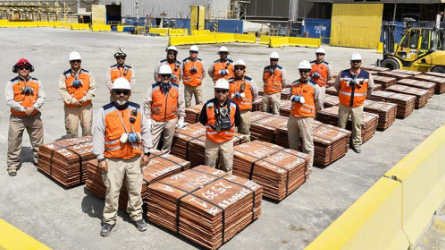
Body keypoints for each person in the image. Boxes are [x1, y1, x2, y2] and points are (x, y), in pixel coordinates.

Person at [93, 77, 152, 237]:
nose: (121, 95)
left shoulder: (137, 109)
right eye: (118, 92)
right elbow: (98, 135)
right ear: (112, 93)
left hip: (134, 159)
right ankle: (109, 220)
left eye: (124, 92)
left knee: (135, 190)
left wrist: (147, 152)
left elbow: (145, 130)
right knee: (112, 192)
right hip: (113, 160)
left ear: (129, 93)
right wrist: (100, 158)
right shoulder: (104, 111)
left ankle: (136, 216)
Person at [5, 58, 46, 177]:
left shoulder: (37, 82)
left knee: (38, 140)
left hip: (34, 115)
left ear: (30, 69)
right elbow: (9, 100)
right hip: (17, 117)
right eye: (21, 68)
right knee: (14, 141)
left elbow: (42, 97)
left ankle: (39, 160)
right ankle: (12, 164)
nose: (24, 69)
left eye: (26, 67)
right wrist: (23, 109)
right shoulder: (11, 83)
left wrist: (33, 108)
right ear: (16, 69)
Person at [334, 53, 374, 153]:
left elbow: (371, 88)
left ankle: (356, 143)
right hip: (344, 105)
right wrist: (343, 96)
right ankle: (340, 144)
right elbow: (336, 86)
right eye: (354, 61)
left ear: (361, 63)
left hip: (358, 105)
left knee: (357, 125)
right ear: (350, 62)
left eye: (357, 62)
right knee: (341, 124)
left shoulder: (366, 75)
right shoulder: (343, 74)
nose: (355, 63)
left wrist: (363, 97)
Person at [199, 79, 241, 174]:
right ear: (215, 91)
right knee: (209, 166)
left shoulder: (234, 105)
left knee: (227, 166)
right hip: (212, 141)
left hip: (227, 140)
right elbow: (202, 120)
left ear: (227, 92)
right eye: (218, 91)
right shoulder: (208, 105)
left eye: (223, 91)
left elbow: (238, 121)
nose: (220, 93)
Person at [288, 60, 321, 173]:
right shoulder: (294, 84)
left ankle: (308, 167)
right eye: (301, 71)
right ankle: (294, 165)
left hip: (306, 118)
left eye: (306, 71)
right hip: (293, 117)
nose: (303, 73)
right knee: (292, 142)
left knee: (307, 144)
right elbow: (290, 96)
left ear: (309, 72)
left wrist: (311, 114)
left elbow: (318, 102)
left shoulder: (314, 86)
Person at [144, 65, 185, 154]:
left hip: (171, 120)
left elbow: (181, 103)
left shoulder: (176, 88)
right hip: (156, 121)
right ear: (159, 76)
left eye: (168, 75)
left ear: (171, 76)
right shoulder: (153, 88)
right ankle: (151, 161)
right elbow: (147, 103)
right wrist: (147, 119)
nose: (166, 77)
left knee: (167, 144)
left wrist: (181, 118)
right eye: (163, 75)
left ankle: (164, 159)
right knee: (151, 144)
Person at [59, 51, 97, 138]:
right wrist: (73, 101)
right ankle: (73, 151)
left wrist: (83, 99)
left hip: (86, 106)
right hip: (71, 108)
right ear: (70, 62)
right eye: (73, 61)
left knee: (87, 131)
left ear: (80, 61)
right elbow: (62, 90)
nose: (76, 62)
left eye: (77, 61)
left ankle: (87, 150)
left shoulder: (88, 74)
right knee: (72, 132)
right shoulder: (64, 76)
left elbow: (93, 88)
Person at [228, 59, 258, 142]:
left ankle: (246, 148)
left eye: (241, 68)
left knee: (245, 132)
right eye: (237, 68)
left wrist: (249, 102)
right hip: (232, 111)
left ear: (244, 69)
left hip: (244, 111)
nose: (239, 70)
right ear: (234, 70)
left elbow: (255, 93)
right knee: (231, 132)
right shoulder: (230, 81)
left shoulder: (249, 81)